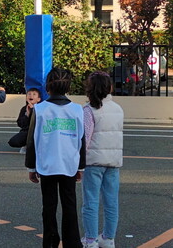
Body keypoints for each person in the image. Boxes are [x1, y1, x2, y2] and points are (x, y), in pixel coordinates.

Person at [25, 68, 86, 248]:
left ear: (47, 86)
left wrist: (31, 167)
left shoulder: (40, 109)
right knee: (70, 205)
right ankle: (72, 243)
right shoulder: (76, 110)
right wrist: (81, 166)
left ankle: (50, 242)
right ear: (68, 86)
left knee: (49, 207)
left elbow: (32, 140)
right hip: (69, 164)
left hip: (47, 165)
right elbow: (81, 140)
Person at [81, 71, 124, 248]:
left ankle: (90, 240)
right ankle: (108, 238)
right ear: (109, 88)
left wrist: (78, 163)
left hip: (93, 162)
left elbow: (85, 139)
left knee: (90, 202)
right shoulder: (118, 109)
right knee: (111, 202)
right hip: (113, 161)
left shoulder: (89, 110)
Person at [8, 88, 41, 154]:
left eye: (34, 94)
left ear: (38, 99)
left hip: (38, 132)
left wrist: (32, 111)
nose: (31, 96)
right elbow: (20, 123)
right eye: (29, 94)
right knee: (13, 141)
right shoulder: (24, 109)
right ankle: (26, 145)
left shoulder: (41, 108)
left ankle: (37, 147)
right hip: (27, 131)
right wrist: (27, 115)